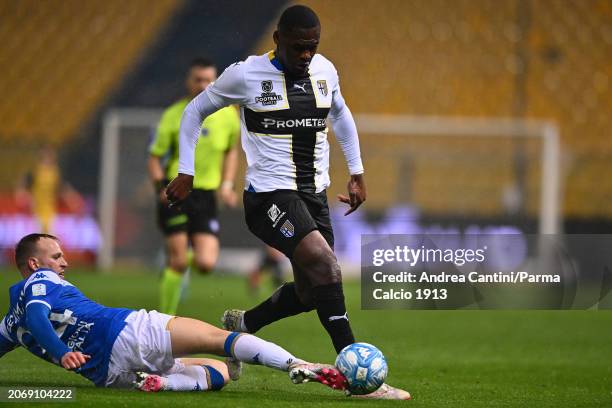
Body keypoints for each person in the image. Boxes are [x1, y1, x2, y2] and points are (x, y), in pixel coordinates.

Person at [166, 5, 409, 400]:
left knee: (312, 292)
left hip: (313, 195)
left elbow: (342, 116)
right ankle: (359, 376)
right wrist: (187, 170)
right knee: (328, 266)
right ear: (277, 40)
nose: (305, 55)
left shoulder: (325, 71)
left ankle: (243, 324)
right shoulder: (245, 75)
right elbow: (195, 111)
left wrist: (358, 170)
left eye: (312, 47)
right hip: (268, 197)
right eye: (298, 47)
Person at [0, 233, 347, 393]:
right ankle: (298, 364)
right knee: (220, 339)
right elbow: (36, 316)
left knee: (221, 371)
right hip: (125, 331)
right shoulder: (38, 281)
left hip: (107, 374)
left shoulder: (7, 325)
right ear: (34, 263)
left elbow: (23, 325)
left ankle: (163, 383)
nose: (64, 262)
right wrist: (62, 354)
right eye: (56, 256)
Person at [148, 57, 240, 315]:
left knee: (206, 262)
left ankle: (173, 264)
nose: (203, 85)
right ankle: (165, 320)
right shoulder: (173, 115)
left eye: (208, 79)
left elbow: (231, 151)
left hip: (206, 195)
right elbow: (155, 157)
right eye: (198, 79)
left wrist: (227, 185)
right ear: (188, 82)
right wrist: (159, 188)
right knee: (178, 261)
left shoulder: (228, 116)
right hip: (176, 192)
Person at [15, 145, 84, 233]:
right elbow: (23, 184)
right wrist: (23, 195)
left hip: (50, 211)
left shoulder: (55, 172)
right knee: (37, 237)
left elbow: (63, 188)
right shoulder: (35, 170)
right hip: (36, 211)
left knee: (50, 236)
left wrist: (73, 200)